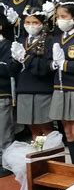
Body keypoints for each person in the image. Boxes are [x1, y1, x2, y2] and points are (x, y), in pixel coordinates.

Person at [48, 2, 74, 166]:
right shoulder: (57, 38)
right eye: (58, 17)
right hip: (59, 88)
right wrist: (53, 64)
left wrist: (64, 64)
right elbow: (49, 61)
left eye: (63, 17)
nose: (60, 20)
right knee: (67, 131)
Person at [10, 7, 54, 138]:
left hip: (42, 89)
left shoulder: (49, 40)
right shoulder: (20, 41)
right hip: (23, 89)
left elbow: (44, 68)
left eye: (35, 22)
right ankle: (37, 156)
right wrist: (15, 59)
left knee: (45, 127)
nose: (31, 26)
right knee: (33, 129)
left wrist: (25, 58)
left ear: (43, 23)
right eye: (27, 22)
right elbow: (12, 70)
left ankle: (51, 153)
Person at [0, 7, 15, 177]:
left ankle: (7, 163)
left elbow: (8, 69)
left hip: (2, 93)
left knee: (4, 132)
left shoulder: (7, 45)